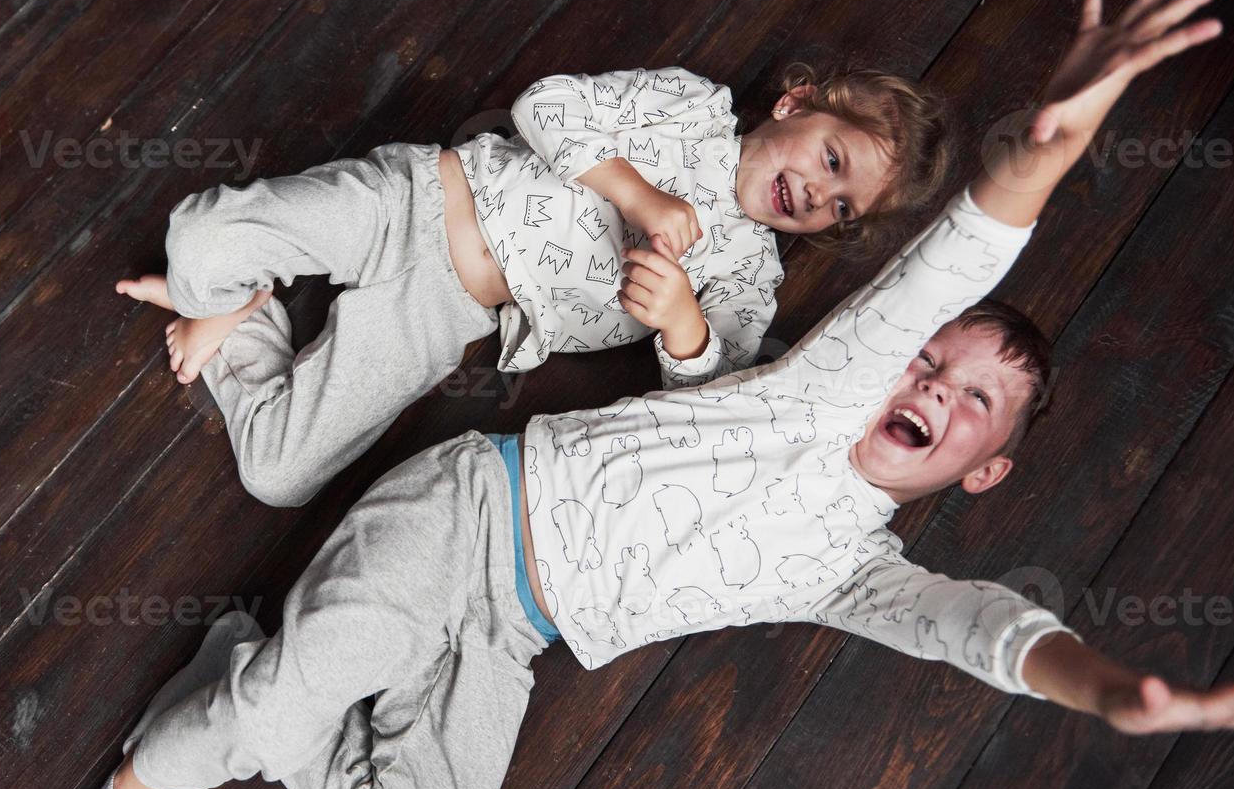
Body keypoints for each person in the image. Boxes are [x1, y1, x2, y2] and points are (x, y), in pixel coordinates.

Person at [56, 0, 1234, 789]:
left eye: (971, 406)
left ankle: (257, 670)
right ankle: (144, 772)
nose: (936, 392)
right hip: (474, 512)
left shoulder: (854, 570)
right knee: (263, 718)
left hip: (519, 629)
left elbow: (975, 630)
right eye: (933, 361)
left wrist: (1112, 689)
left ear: (983, 469)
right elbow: (958, 249)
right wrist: (1049, 143)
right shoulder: (814, 386)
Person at [113, 58, 947, 507]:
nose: (814, 194)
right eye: (830, 160)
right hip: (417, 199)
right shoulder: (691, 108)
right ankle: (225, 292)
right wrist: (638, 193)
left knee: (279, 475)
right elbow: (545, 105)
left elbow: (715, 391)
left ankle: (241, 311)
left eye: (839, 208)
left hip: (448, 307)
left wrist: (684, 327)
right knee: (196, 238)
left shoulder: (746, 278)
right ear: (795, 106)